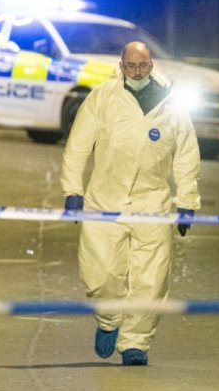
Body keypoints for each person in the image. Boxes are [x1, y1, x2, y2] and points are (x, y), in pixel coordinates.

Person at [61, 41, 201, 366]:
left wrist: (187, 201)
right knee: (101, 273)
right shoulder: (103, 98)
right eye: (131, 66)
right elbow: (78, 146)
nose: (137, 72)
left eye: (143, 66)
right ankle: (108, 319)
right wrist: (73, 190)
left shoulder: (171, 105)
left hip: (152, 203)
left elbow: (186, 155)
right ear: (121, 66)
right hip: (104, 200)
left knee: (151, 279)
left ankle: (136, 342)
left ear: (151, 66)